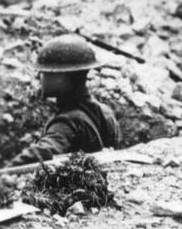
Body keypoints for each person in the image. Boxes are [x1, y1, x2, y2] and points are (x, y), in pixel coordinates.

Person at [7, 34, 121, 166]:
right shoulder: (105, 112)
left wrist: (3, 171)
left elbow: (43, 152)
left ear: (62, 77)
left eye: (46, 72)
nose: (40, 76)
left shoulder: (66, 122)